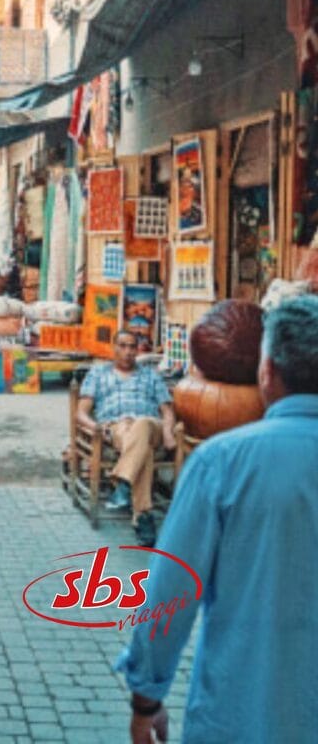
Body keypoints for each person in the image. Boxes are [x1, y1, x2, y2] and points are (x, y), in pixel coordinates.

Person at [113, 297, 318, 743]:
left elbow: (172, 591)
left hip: (239, 717)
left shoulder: (223, 462)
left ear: (267, 371)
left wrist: (146, 698)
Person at [77, 329, 176, 546]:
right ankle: (143, 516)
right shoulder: (98, 374)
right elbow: (81, 413)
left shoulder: (150, 374)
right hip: (117, 427)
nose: (128, 351)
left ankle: (122, 481)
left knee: (142, 425)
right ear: (113, 348)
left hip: (152, 426)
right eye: (122, 346)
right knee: (143, 450)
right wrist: (95, 427)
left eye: (132, 346)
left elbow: (167, 412)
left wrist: (168, 433)